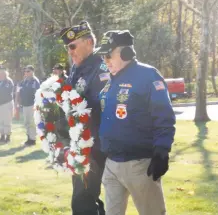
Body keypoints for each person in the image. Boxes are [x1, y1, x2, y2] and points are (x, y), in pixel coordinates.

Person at [96, 30, 176, 215]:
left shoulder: (148, 76)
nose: (105, 60)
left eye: (108, 55)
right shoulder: (110, 80)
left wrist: (162, 151)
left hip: (139, 164)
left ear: (126, 53)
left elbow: (163, 116)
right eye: (102, 56)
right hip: (112, 163)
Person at [59, 21, 109, 215]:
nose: (70, 51)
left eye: (73, 46)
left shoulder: (102, 67)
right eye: (68, 48)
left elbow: (99, 106)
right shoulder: (77, 68)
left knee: (83, 202)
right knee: (85, 200)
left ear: (89, 42)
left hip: (96, 145)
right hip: (81, 144)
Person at [16, 65, 40, 146]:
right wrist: (17, 103)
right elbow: (18, 92)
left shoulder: (35, 81)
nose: (26, 73)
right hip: (25, 105)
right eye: (25, 71)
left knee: (32, 122)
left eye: (28, 71)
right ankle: (29, 138)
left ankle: (32, 140)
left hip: (32, 104)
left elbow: (38, 94)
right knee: (26, 122)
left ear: (32, 71)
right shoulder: (23, 81)